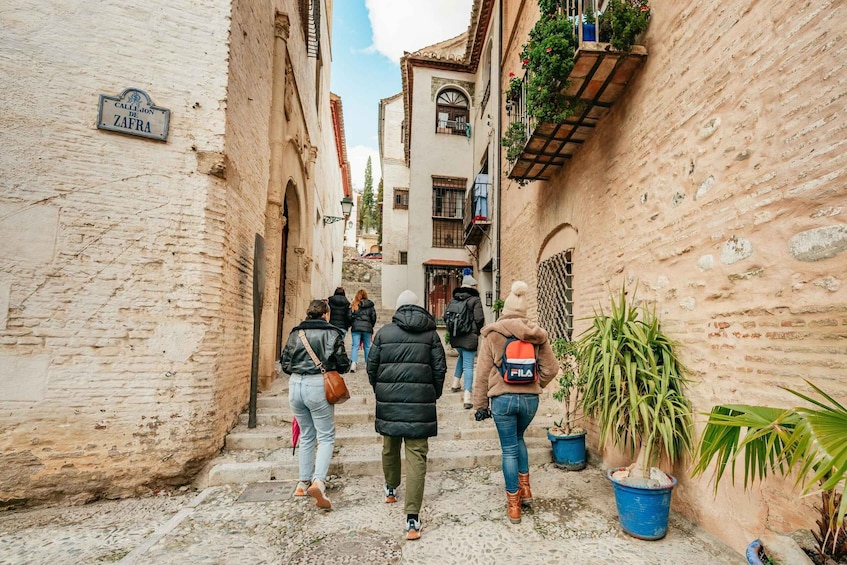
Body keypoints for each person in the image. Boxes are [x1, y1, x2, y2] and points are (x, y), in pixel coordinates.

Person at [472, 281, 557, 524]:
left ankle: (514, 505)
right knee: (519, 439)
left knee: (509, 448)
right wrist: (537, 385)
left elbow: (482, 373)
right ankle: (526, 489)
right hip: (530, 400)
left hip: (503, 399)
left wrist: (480, 405)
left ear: (506, 309)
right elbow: (551, 368)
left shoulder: (493, 334)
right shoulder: (537, 335)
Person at [367, 290, 446, 540]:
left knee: (389, 447)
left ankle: (391, 488)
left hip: (389, 401)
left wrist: (381, 390)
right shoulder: (431, 335)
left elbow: (371, 368)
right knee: (416, 456)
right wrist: (432, 394)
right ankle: (412, 517)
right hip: (419, 404)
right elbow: (440, 369)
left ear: (398, 308)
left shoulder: (384, 334)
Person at [280, 299, 351, 510]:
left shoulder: (295, 333)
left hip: (295, 385)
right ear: (326, 314)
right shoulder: (332, 333)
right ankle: (319, 481)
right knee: (326, 435)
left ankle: (302, 483)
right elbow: (344, 364)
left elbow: (284, 363)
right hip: (317, 386)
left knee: (306, 434)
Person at [447, 273, 485, 409]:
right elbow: (479, 318)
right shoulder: (475, 299)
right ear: (472, 286)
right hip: (469, 336)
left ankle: (455, 384)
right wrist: (476, 330)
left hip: (456, 336)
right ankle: (468, 397)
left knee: (461, 357)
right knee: (469, 365)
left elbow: (446, 316)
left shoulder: (453, 299)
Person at [349, 288, 376, 372]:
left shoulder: (354, 305)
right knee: (367, 346)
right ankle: (367, 364)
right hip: (367, 328)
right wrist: (370, 325)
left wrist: (352, 323)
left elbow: (350, 316)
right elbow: (373, 317)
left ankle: (353, 363)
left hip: (356, 327)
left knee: (355, 346)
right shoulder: (370, 306)